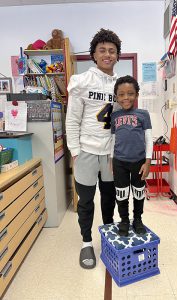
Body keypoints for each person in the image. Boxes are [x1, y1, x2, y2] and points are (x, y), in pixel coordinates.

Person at [66, 28, 121, 269]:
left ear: (117, 55)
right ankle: (86, 242)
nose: (107, 54)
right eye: (102, 50)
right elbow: (72, 119)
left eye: (112, 50)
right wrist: (75, 151)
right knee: (86, 201)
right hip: (86, 151)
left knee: (109, 199)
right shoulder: (82, 81)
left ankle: (108, 238)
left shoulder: (121, 84)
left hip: (110, 154)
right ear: (94, 54)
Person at [111, 75, 153, 237]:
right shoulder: (115, 116)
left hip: (139, 162)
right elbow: (112, 139)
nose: (126, 97)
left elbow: (149, 139)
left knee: (138, 192)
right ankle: (124, 220)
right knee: (121, 193)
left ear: (137, 95)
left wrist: (148, 162)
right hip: (119, 162)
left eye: (130, 93)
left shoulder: (143, 114)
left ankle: (137, 219)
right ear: (116, 97)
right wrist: (111, 159)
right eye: (121, 94)